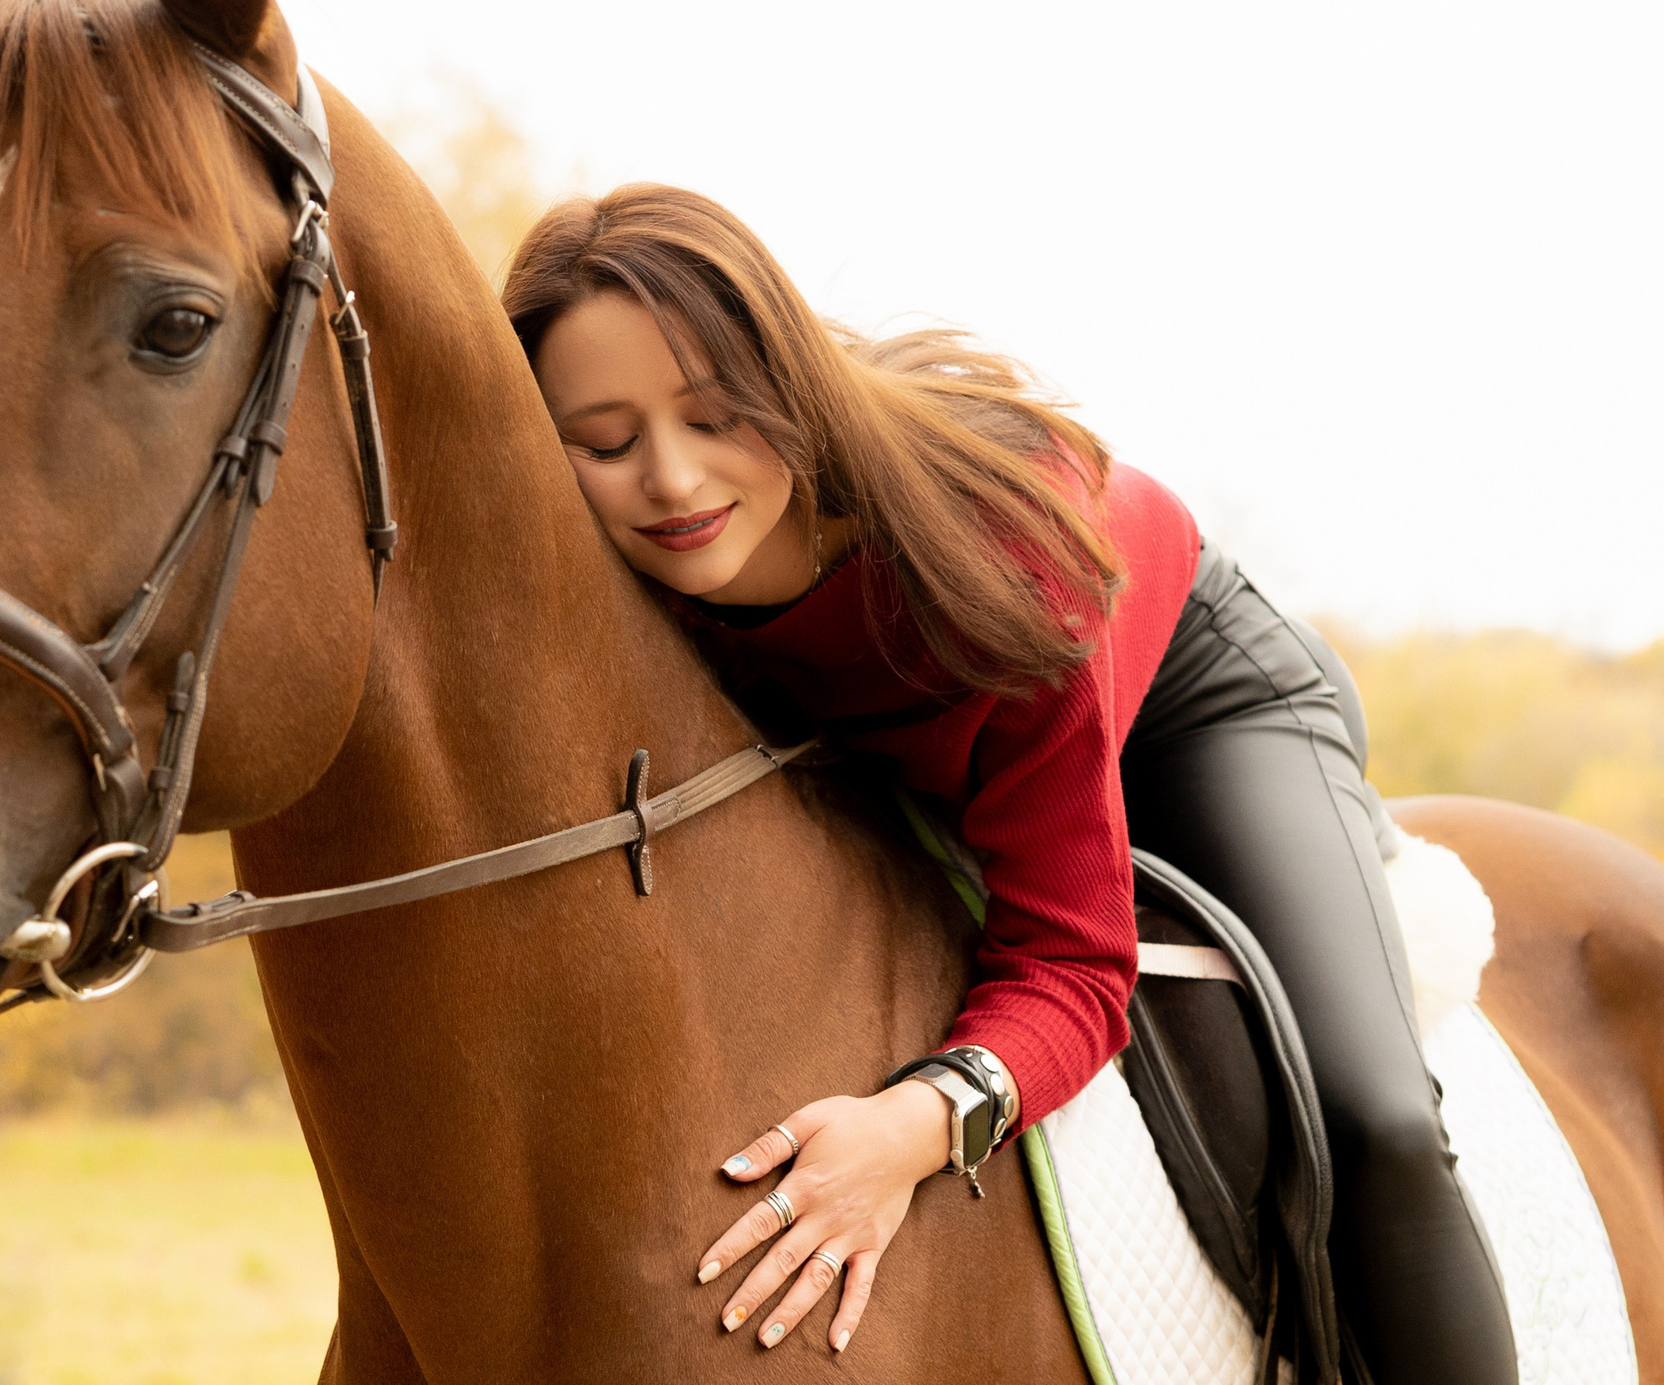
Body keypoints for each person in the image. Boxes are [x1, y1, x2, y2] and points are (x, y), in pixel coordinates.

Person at [502, 184, 1517, 1383]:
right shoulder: (597, 564)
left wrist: (910, 1130)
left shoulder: (1003, 548)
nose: (672, 482)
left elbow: (1074, 964)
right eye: (604, 443)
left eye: (715, 418)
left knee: (1372, 1119)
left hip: (1186, 699)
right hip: (923, 753)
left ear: (790, 386)